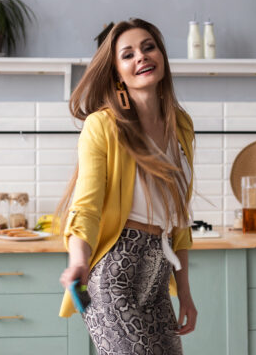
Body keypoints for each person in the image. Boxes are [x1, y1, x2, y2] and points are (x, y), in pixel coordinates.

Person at [57, 18, 197, 354]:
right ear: (117, 72)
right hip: (114, 275)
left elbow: (180, 216)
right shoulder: (102, 125)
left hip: (158, 277)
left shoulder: (181, 124)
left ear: (161, 55)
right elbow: (86, 207)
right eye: (128, 54)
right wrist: (79, 258)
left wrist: (186, 292)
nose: (141, 57)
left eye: (148, 47)